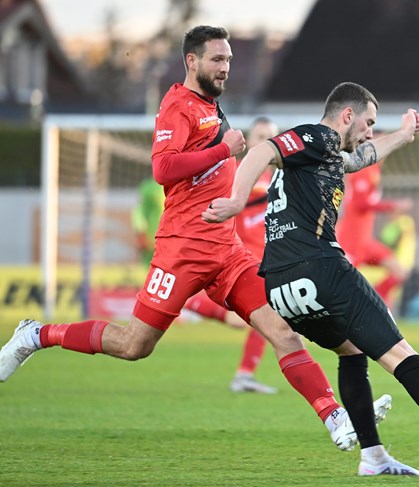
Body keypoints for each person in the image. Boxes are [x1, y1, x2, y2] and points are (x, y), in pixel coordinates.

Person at [0, 26, 391, 455]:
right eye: (217, 60)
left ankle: (335, 417)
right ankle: (37, 334)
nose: (225, 68)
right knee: (134, 345)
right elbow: (163, 170)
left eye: (228, 60)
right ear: (192, 61)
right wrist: (224, 150)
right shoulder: (176, 106)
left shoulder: (212, 106)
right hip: (182, 249)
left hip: (227, 250)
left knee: (281, 330)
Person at [202, 81, 419, 474]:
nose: (371, 131)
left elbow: (360, 158)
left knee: (351, 353)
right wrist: (235, 200)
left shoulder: (322, 154)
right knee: (402, 357)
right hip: (321, 269)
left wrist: (402, 136)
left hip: (281, 286)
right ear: (346, 115)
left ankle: (373, 456)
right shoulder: (316, 134)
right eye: (368, 122)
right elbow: (263, 151)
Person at [183, 116, 280, 394]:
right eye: (261, 136)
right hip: (242, 260)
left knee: (268, 320)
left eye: (272, 137)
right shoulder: (240, 174)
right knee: (259, 319)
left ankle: (244, 374)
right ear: (249, 141)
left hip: (266, 261)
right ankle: (191, 303)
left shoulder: (271, 178)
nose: (267, 142)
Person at [337, 151, 413, 310]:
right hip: (350, 243)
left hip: (365, 242)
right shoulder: (363, 170)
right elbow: (360, 203)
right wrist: (392, 206)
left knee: (399, 271)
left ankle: (376, 302)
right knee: (339, 289)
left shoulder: (374, 171)